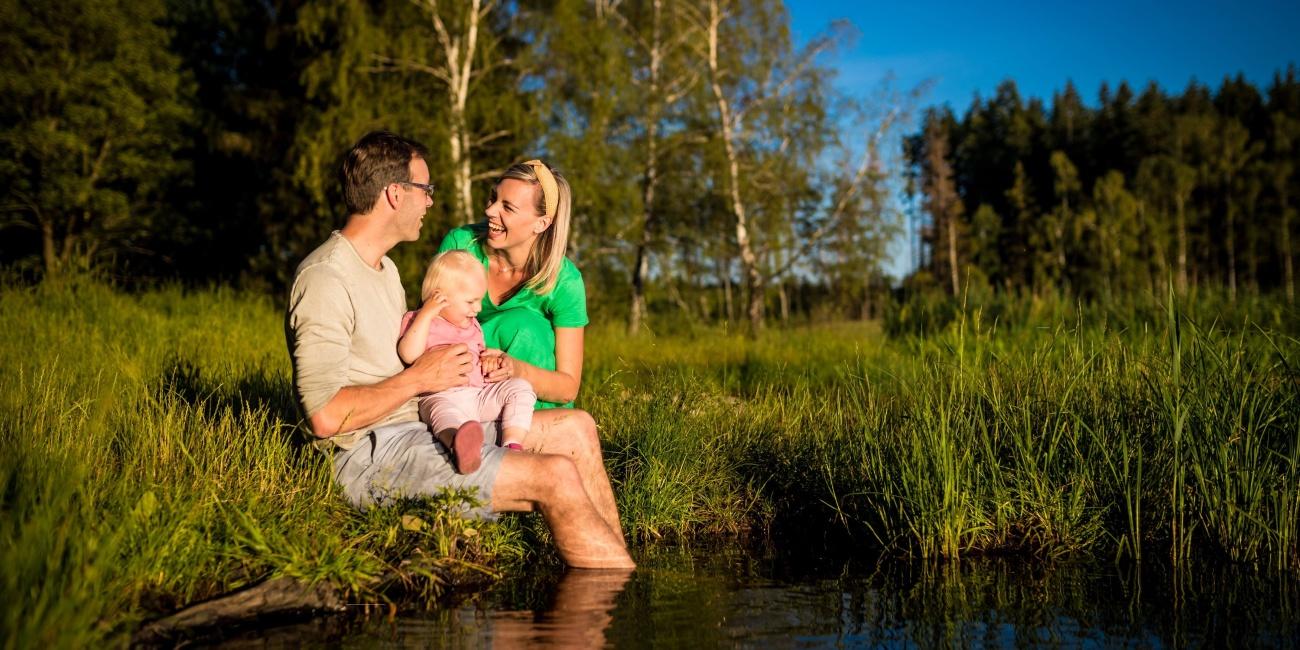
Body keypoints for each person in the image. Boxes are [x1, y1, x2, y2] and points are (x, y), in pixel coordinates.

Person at [284, 131, 633, 569]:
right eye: (424, 190)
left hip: (419, 425)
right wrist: (419, 379)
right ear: (395, 194)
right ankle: (609, 606)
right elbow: (325, 417)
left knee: (577, 428)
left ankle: (620, 585)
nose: (430, 201)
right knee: (557, 473)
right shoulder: (325, 279)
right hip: (370, 454)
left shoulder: (384, 269)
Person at [437, 160, 585, 411]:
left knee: (526, 326)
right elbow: (430, 322)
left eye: (507, 207)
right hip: (462, 379)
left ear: (542, 223)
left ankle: (526, 434)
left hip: (528, 397)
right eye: (493, 198)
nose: (490, 211)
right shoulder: (461, 246)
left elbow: (567, 387)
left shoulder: (565, 281)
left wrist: (515, 369)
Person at [396, 250, 536, 474]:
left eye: (480, 300)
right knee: (443, 414)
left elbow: (480, 358)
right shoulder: (418, 321)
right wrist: (426, 314)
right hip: (441, 395)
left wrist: (489, 361)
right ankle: (459, 443)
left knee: (520, 387)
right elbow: (409, 354)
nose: (478, 309)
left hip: (478, 396)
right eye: (471, 301)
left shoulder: (472, 325)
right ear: (439, 298)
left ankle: (513, 444)